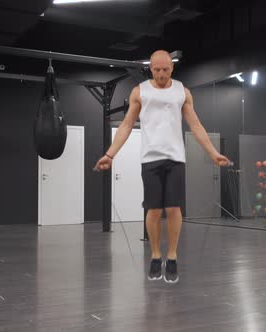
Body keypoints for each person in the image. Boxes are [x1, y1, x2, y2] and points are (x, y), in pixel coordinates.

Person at [94, 50, 231, 283]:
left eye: (165, 69)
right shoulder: (140, 91)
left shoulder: (182, 92)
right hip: (150, 158)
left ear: (172, 68)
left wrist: (213, 153)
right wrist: (110, 154)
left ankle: (173, 256)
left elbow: (195, 125)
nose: (160, 74)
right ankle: (156, 256)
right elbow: (127, 125)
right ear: (151, 69)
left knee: (174, 208)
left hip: (176, 158)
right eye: (156, 70)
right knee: (154, 210)